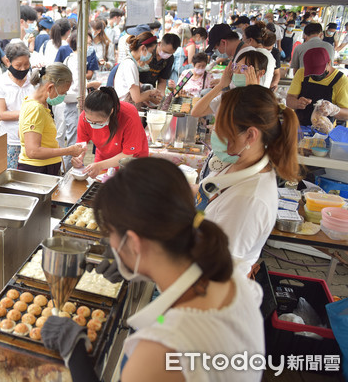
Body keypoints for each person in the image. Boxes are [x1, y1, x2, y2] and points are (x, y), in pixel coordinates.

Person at [41, 157, 265, 382]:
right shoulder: (231, 279)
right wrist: (140, 268)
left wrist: (74, 350)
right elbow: (162, 317)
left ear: (135, 242)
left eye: (110, 235)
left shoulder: (160, 352)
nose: (110, 244)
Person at [196, 85, 300, 277]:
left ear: (250, 135)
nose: (214, 131)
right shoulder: (240, 163)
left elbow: (218, 272)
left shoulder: (248, 201)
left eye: (221, 126)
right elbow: (205, 191)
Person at [17, 64, 83, 175]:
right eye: (63, 92)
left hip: (45, 167)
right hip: (38, 170)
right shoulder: (35, 109)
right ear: (50, 87)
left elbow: (21, 134)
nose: (63, 96)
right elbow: (32, 151)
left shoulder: (39, 104)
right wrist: (68, 151)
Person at [72, 87, 148, 177]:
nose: (92, 124)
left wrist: (100, 165)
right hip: (103, 159)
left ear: (111, 112)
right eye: (89, 120)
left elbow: (128, 154)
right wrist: (79, 157)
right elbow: (81, 144)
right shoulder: (84, 117)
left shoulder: (129, 115)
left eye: (98, 122)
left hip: (131, 162)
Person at [57, 32, 101, 171]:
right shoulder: (75, 60)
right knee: (74, 141)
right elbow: (75, 86)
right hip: (74, 103)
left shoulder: (76, 59)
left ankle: (70, 170)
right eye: (87, 44)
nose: (89, 46)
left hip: (75, 103)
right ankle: (68, 172)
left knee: (76, 139)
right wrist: (90, 84)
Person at [0, 42, 35, 169]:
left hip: (34, 138)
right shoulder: (0, 83)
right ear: (7, 61)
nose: (23, 69)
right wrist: (30, 112)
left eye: (26, 65)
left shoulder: (34, 80)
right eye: (18, 65)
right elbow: (1, 114)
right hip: (12, 140)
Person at [192, 51, 268, 118]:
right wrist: (220, 85)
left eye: (244, 68)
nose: (237, 72)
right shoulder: (230, 96)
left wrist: (253, 92)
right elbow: (196, 112)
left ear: (261, 73)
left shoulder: (265, 101)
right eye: (236, 67)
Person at [286, 47, 348, 126]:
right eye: (311, 72)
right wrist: (297, 103)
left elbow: (346, 114)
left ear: (329, 62)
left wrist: (334, 110)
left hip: (324, 131)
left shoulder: (341, 81)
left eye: (318, 71)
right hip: (300, 127)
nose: (314, 75)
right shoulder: (301, 73)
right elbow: (289, 100)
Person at [113, 32, 163, 108]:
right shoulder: (130, 64)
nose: (151, 55)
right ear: (143, 48)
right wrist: (150, 93)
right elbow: (136, 98)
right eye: (151, 51)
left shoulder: (132, 63)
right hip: (125, 108)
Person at [243, 22, 276, 88]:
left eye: (243, 39)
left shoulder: (253, 55)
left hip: (255, 92)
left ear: (250, 40)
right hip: (263, 92)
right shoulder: (269, 54)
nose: (242, 42)